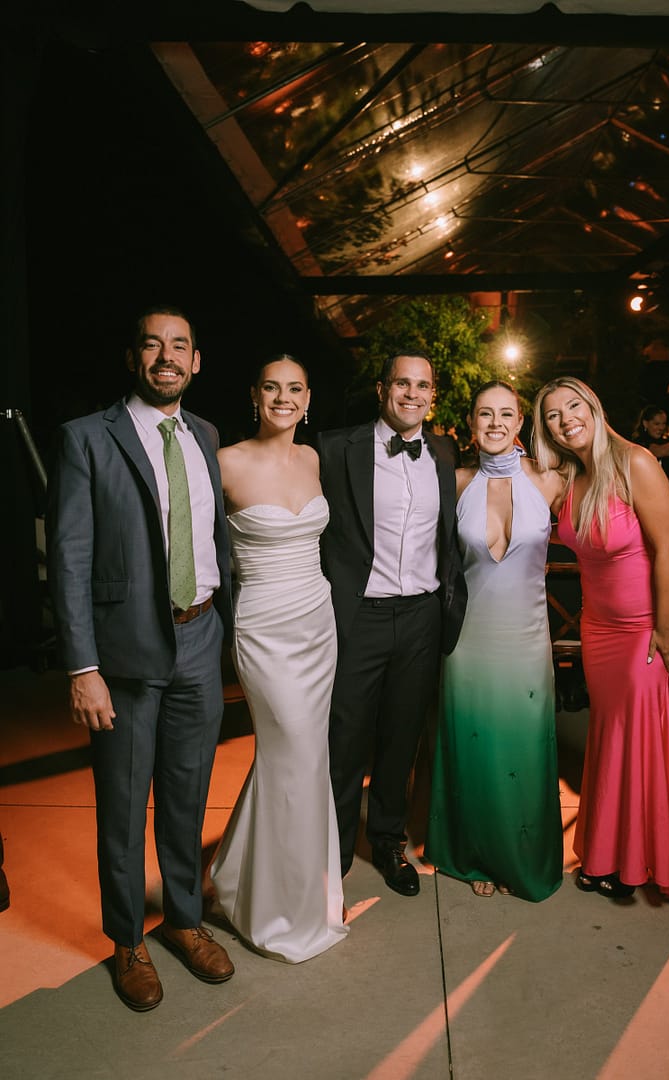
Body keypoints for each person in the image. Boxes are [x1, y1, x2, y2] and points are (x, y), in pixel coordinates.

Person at [46, 306, 235, 1010]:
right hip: (125, 652)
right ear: (133, 358)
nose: (166, 357)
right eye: (152, 345)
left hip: (200, 636)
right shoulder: (86, 438)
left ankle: (183, 920)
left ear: (196, 360)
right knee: (124, 807)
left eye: (179, 345)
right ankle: (127, 940)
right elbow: (70, 560)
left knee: (187, 797)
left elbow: (214, 540)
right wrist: (82, 667)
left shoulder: (205, 434)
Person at [533, 376, 669, 903]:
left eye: (573, 406)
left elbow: (667, 548)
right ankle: (607, 856)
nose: (566, 419)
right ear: (546, 429)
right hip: (599, 627)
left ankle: (640, 863)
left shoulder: (635, 462)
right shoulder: (572, 476)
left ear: (593, 406)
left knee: (641, 741)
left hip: (647, 626)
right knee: (611, 737)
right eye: (552, 415)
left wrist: (664, 627)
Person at [209, 354, 348, 963]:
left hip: (318, 621)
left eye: (294, 388)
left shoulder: (313, 458)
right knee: (290, 749)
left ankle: (266, 884)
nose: (283, 398)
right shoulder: (225, 462)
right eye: (272, 387)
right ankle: (278, 912)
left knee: (304, 757)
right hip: (263, 626)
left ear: (308, 399)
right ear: (255, 395)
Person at [318, 349, 466, 896]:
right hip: (360, 616)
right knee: (345, 740)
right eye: (402, 383)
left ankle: (387, 840)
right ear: (382, 390)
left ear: (433, 396)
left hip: (423, 616)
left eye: (422, 386)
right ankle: (331, 859)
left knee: (402, 739)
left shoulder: (444, 452)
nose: (412, 394)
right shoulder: (336, 448)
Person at [426, 381, 564, 901]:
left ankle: (521, 856)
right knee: (474, 746)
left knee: (523, 747)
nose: (495, 423)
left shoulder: (550, 480)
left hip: (527, 638)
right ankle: (475, 855)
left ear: (521, 422)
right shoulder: (457, 482)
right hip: (469, 639)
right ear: (470, 423)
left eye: (506, 414)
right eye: (485, 414)